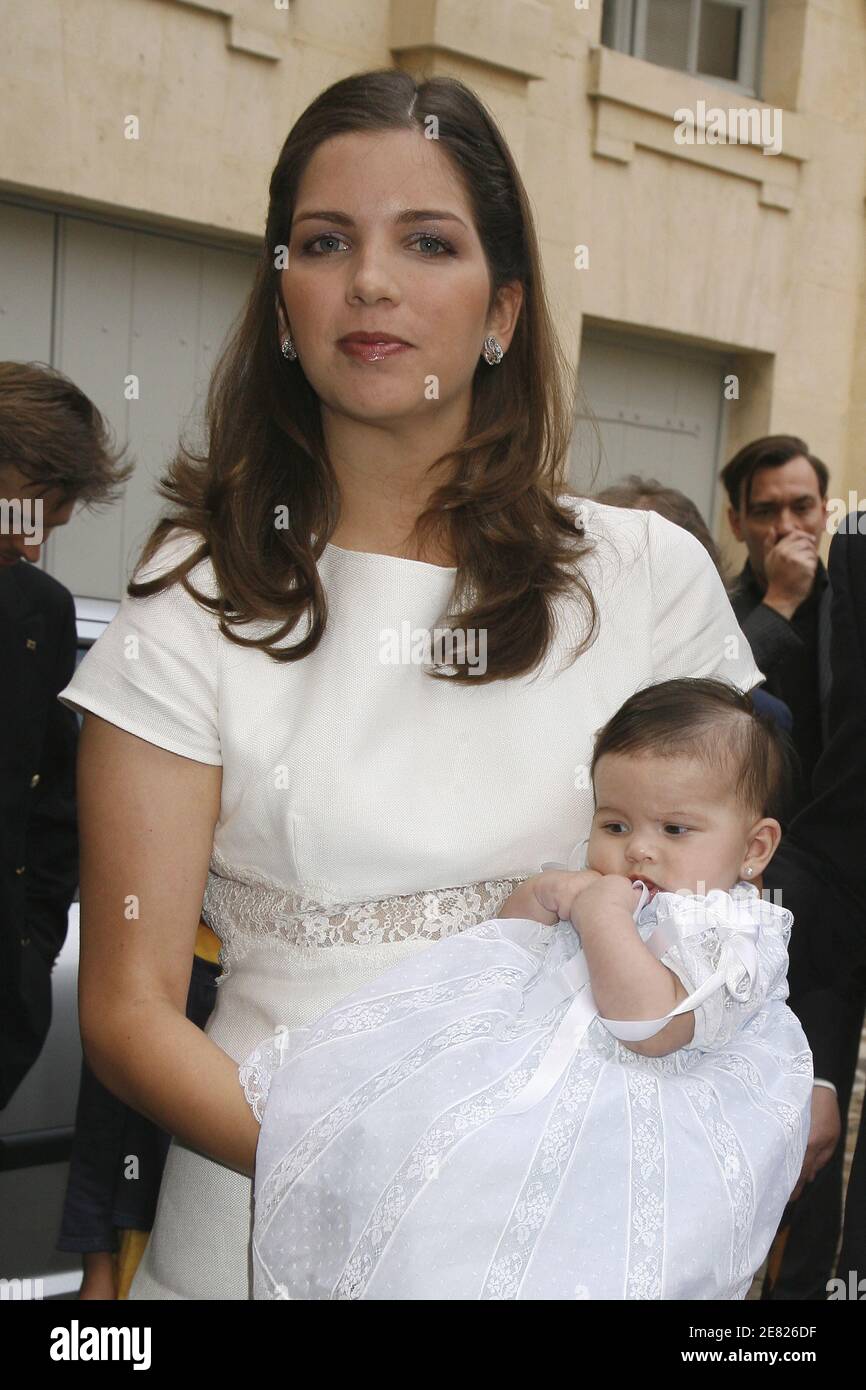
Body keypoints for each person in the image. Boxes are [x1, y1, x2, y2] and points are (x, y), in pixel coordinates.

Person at [56, 68, 767, 1300]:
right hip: (269, 1220)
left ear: (501, 311)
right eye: (326, 242)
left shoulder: (647, 576)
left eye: (425, 242)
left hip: (580, 1236)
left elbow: (744, 914)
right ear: (283, 301)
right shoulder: (197, 588)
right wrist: (373, 1181)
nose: (370, 282)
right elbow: (128, 1007)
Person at [242, 678, 812, 1300]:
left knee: (586, 1250)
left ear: (755, 848)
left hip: (640, 1125)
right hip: (534, 1078)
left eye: (675, 830)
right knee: (449, 1182)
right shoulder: (598, 877)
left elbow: (650, 1024)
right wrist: (542, 897)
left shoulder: (733, 932)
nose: (639, 851)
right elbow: (503, 946)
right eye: (615, 824)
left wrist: (600, 915)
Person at [0, 362, 130, 1112]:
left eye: (50, 528)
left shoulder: (39, 616)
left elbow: (51, 808)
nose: (33, 548)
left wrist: (30, 953)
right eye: (26, 518)